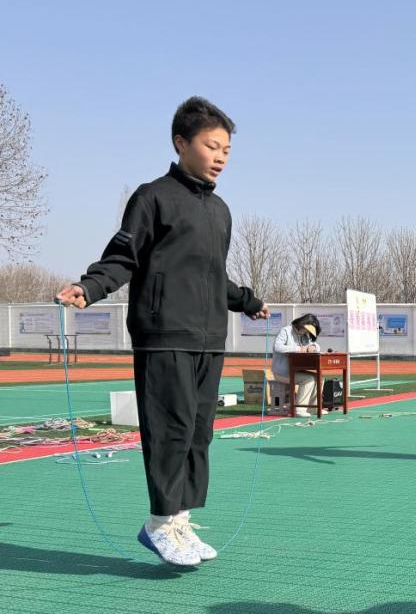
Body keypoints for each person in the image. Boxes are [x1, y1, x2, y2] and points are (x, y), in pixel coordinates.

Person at [55, 97, 268, 566]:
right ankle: (158, 523)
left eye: (227, 150)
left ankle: (181, 522)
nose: (220, 157)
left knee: (198, 433)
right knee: (169, 431)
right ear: (180, 143)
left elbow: (214, 276)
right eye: (212, 146)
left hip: (209, 339)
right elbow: (123, 257)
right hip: (164, 334)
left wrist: (248, 302)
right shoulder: (152, 197)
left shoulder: (221, 211)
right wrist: (89, 288)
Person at [271, 314, 322, 417]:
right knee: (308, 379)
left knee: (318, 377)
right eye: (306, 330)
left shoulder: (304, 335)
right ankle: (300, 409)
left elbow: (316, 345)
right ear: (302, 324)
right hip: (282, 372)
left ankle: (313, 408)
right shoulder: (286, 331)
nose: (306, 333)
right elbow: (277, 347)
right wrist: (298, 348)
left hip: (295, 370)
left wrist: (313, 346)